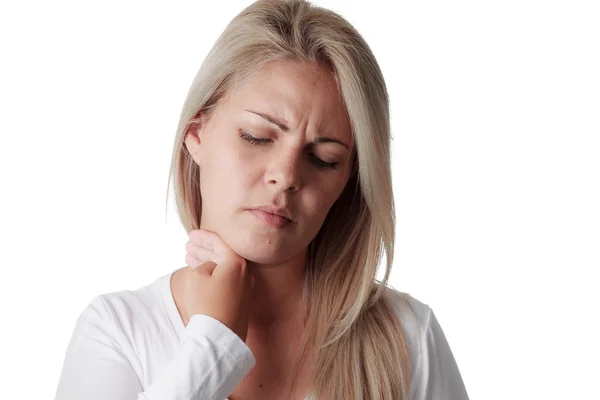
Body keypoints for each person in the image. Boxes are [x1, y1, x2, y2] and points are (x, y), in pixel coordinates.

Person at [55, 1, 469, 399]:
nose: (286, 176)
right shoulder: (117, 333)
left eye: (324, 159)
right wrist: (212, 343)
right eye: (257, 136)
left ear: (349, 181)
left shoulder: (409, 337)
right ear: (196, 134)